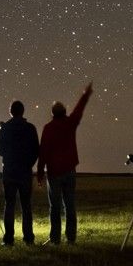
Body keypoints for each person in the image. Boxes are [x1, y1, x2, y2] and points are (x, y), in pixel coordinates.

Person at [37, 81, 92, 245]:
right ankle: (71, 238)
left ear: (52, 114)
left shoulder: (48, 128)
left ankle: (55, 238)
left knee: (55, 207)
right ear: (65, 112)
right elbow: (79, 110)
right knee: (70, 205)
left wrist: (40, 173)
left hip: (54, 173)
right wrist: (85, 95)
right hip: (69, 170)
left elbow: (43, 152)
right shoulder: (70, 123)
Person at [0, 99, 40, 245]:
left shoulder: (6, 128)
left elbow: (0, 150)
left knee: (9, 205)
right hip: (25, 171)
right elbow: (36, 150)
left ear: (11, 112)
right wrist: (29, 164)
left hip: (9, 171)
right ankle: (28, 238)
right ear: (23, 111)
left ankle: (9, 239)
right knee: (26, 205)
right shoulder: (30, 128)